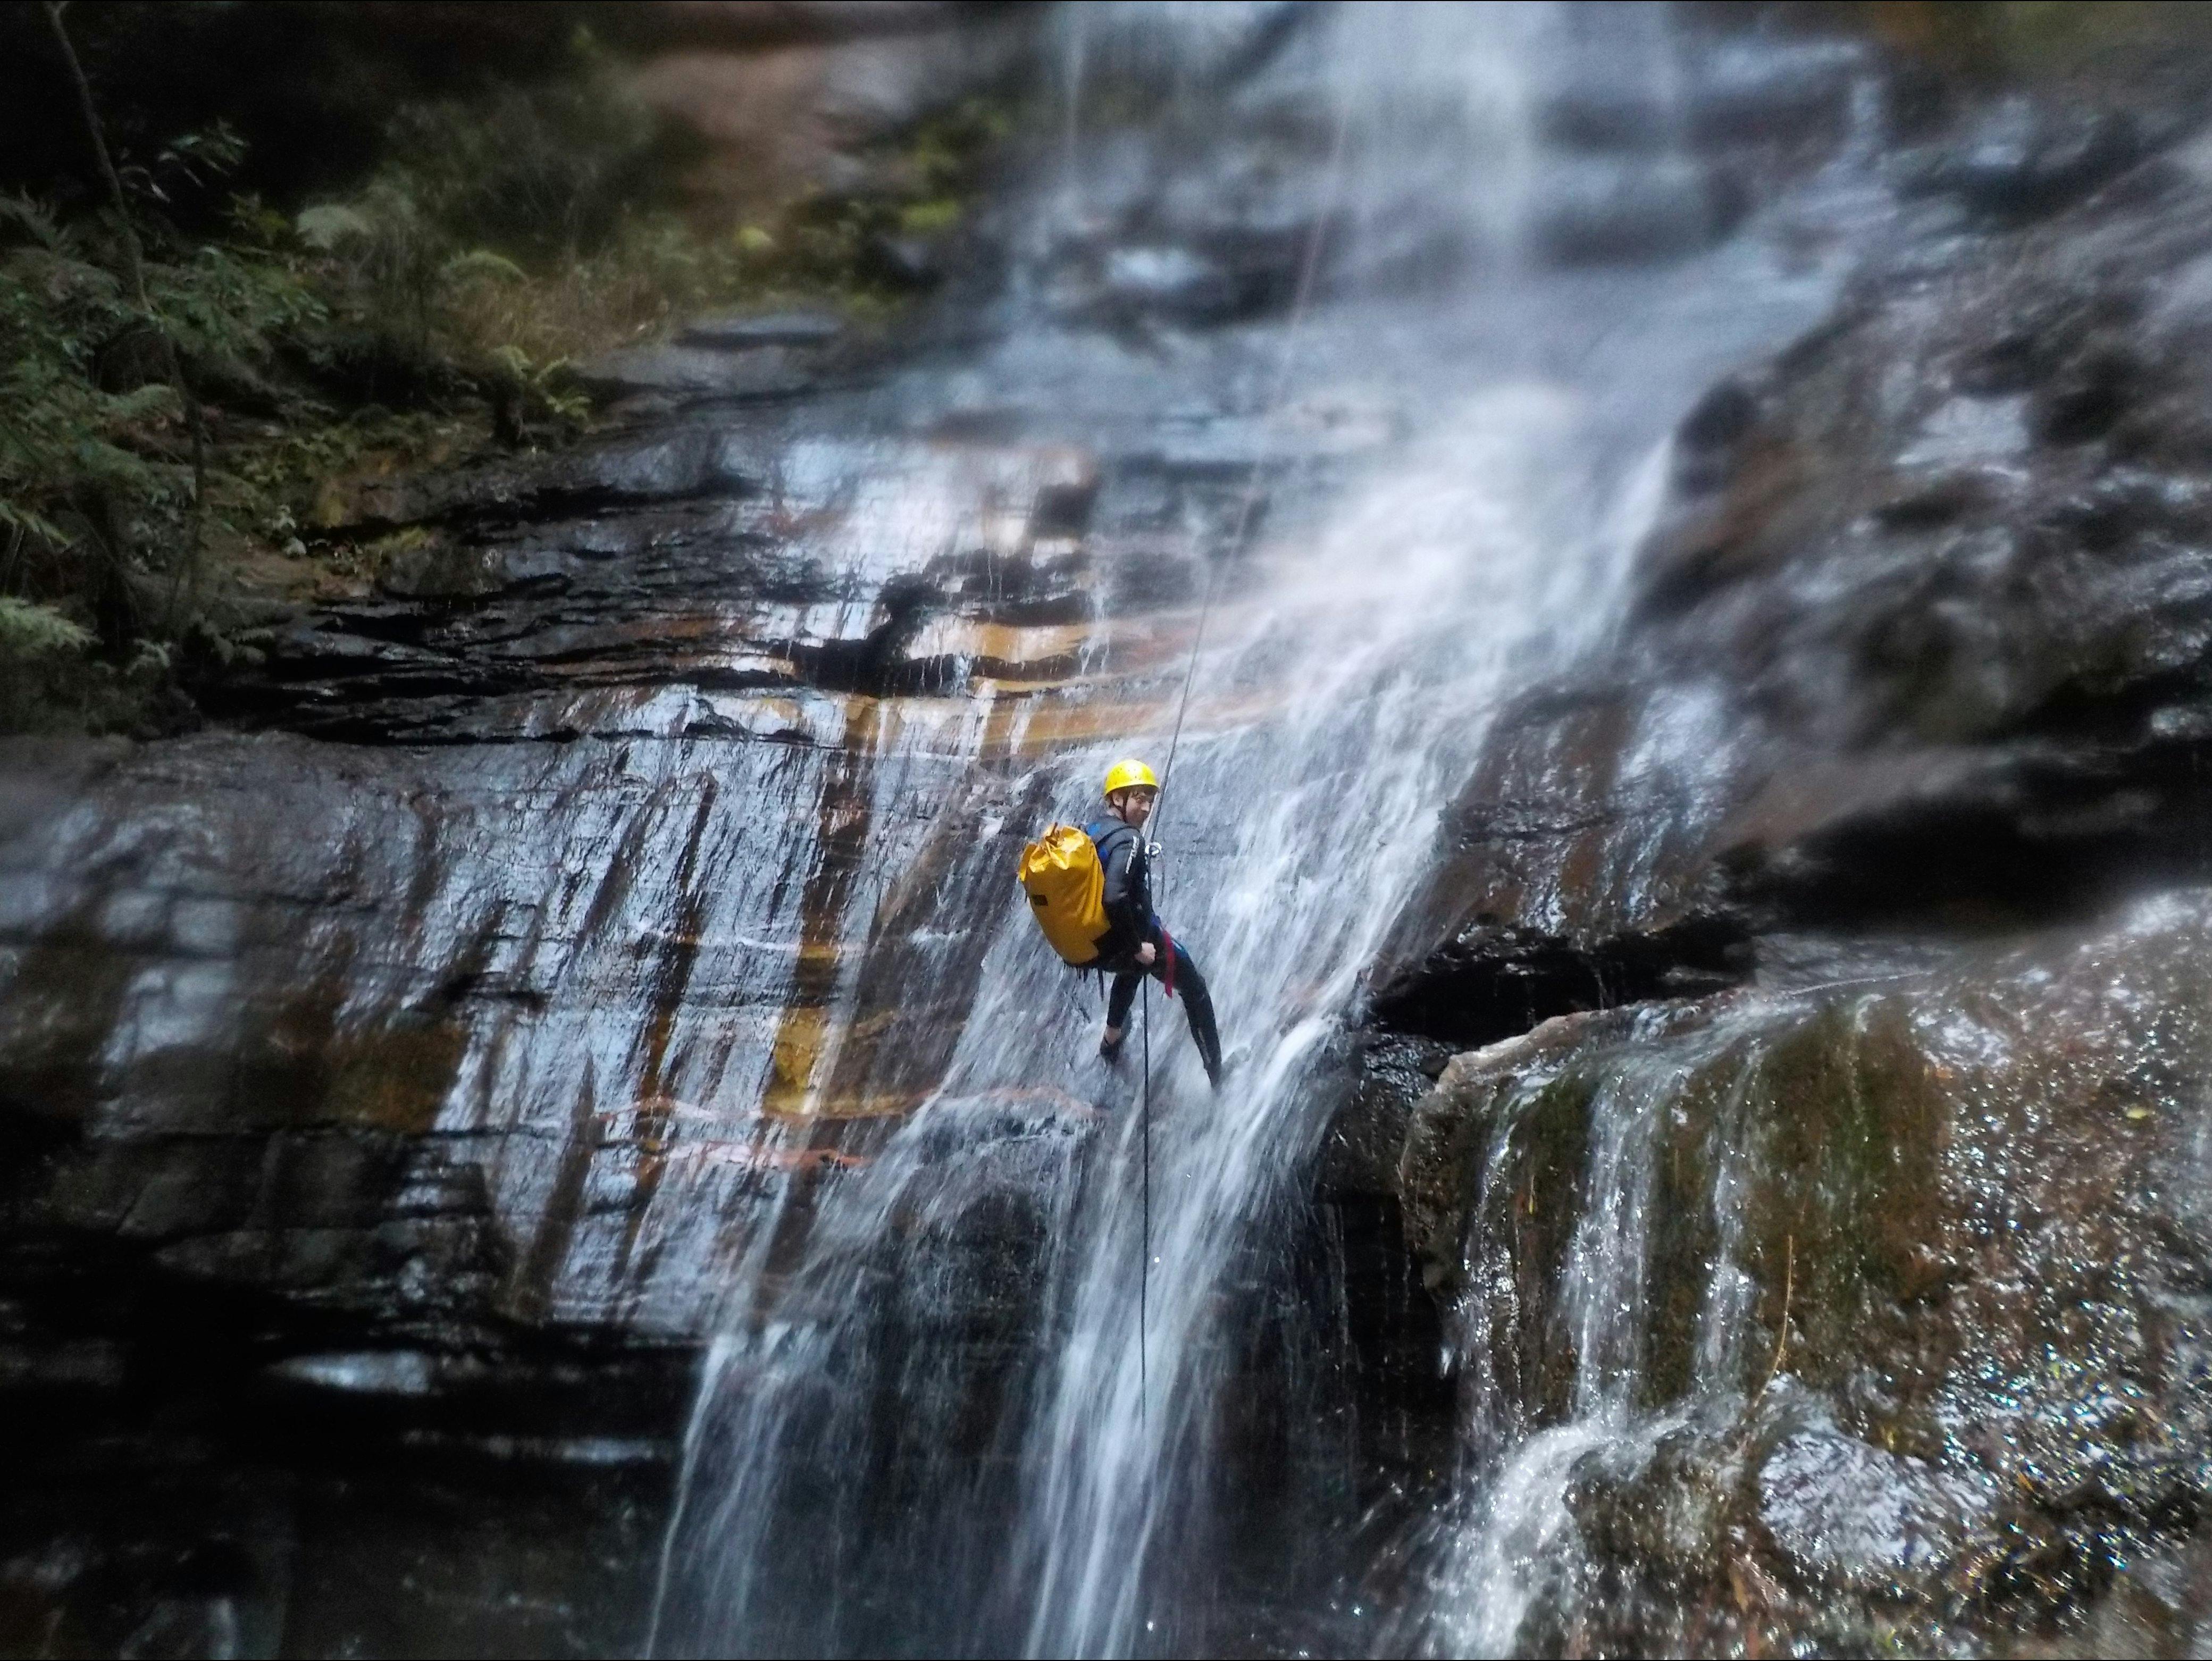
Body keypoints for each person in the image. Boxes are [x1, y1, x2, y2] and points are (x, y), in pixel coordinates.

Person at [1086, 759, 1224, 1087]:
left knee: (1133, 969)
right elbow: (1115, 897)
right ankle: (1218, 1075)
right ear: (1117, 800)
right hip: (1131, 938)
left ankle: (1111, 1038)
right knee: (1195, 989)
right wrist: (1138, 947)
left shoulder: (1093, 830)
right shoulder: (1129, 839)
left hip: (1101, 942)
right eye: (1138, 799)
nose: (1146, 808)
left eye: (1150, 799)